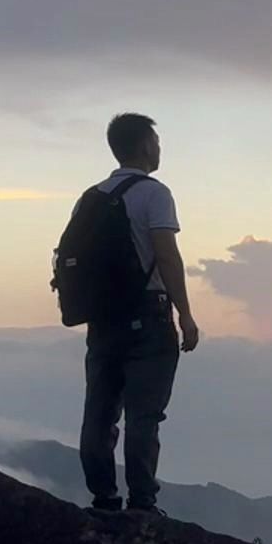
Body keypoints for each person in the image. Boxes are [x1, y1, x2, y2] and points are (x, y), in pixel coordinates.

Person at [77, 113, 199, 515]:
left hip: (103, 321)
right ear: (146, 145)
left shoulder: (91, 197)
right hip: (149, 317)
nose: (160, 148)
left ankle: (103, 499)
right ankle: (142, 504)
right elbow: (166, 254)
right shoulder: (154, 194)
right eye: (157, 141)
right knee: (144, 416)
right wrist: (185, 313)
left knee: (99, 410)